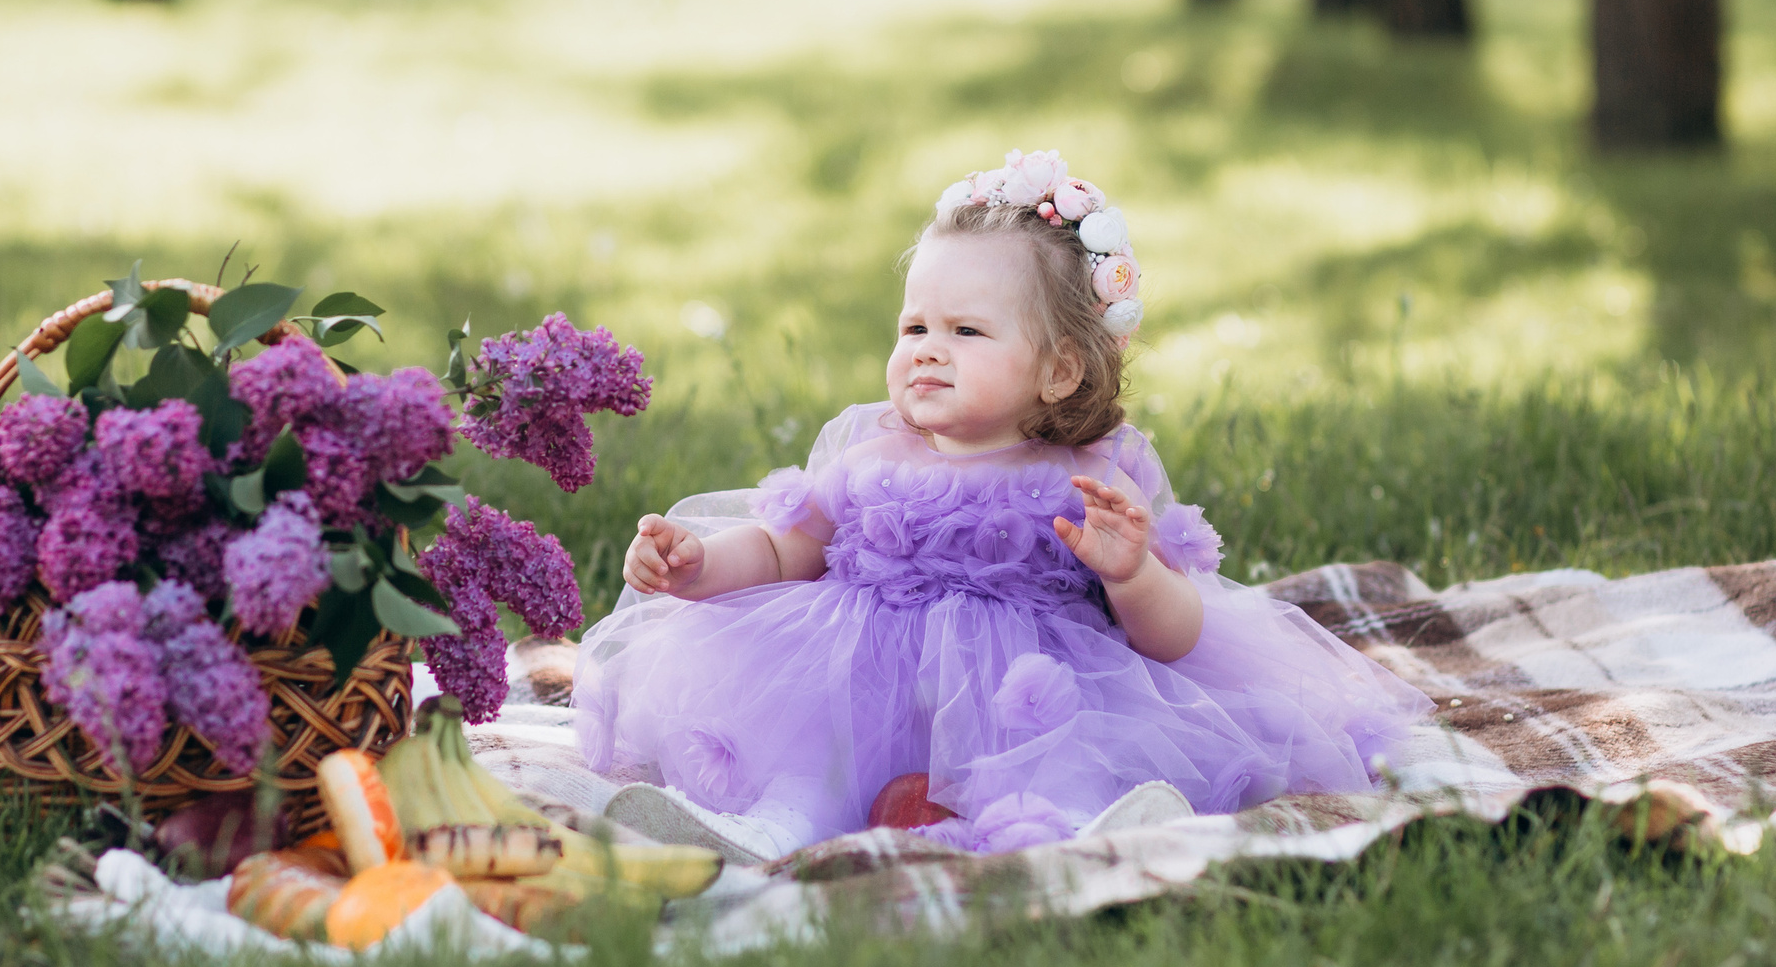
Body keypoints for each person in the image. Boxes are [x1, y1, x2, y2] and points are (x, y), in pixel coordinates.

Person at [574, 150, 1432, 861]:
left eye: (966, 332)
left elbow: (1173, 633)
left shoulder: (1091, 479)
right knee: (817, 763)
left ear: (1059, 368)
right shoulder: (870, 458)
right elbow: (781, 550)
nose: (927, 352)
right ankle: (770, 828)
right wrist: (698, 565)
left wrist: (1131, 572)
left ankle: (1073, 831)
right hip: (855, 691)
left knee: (1052, 758)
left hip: (1030, 693)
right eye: (914, 329)